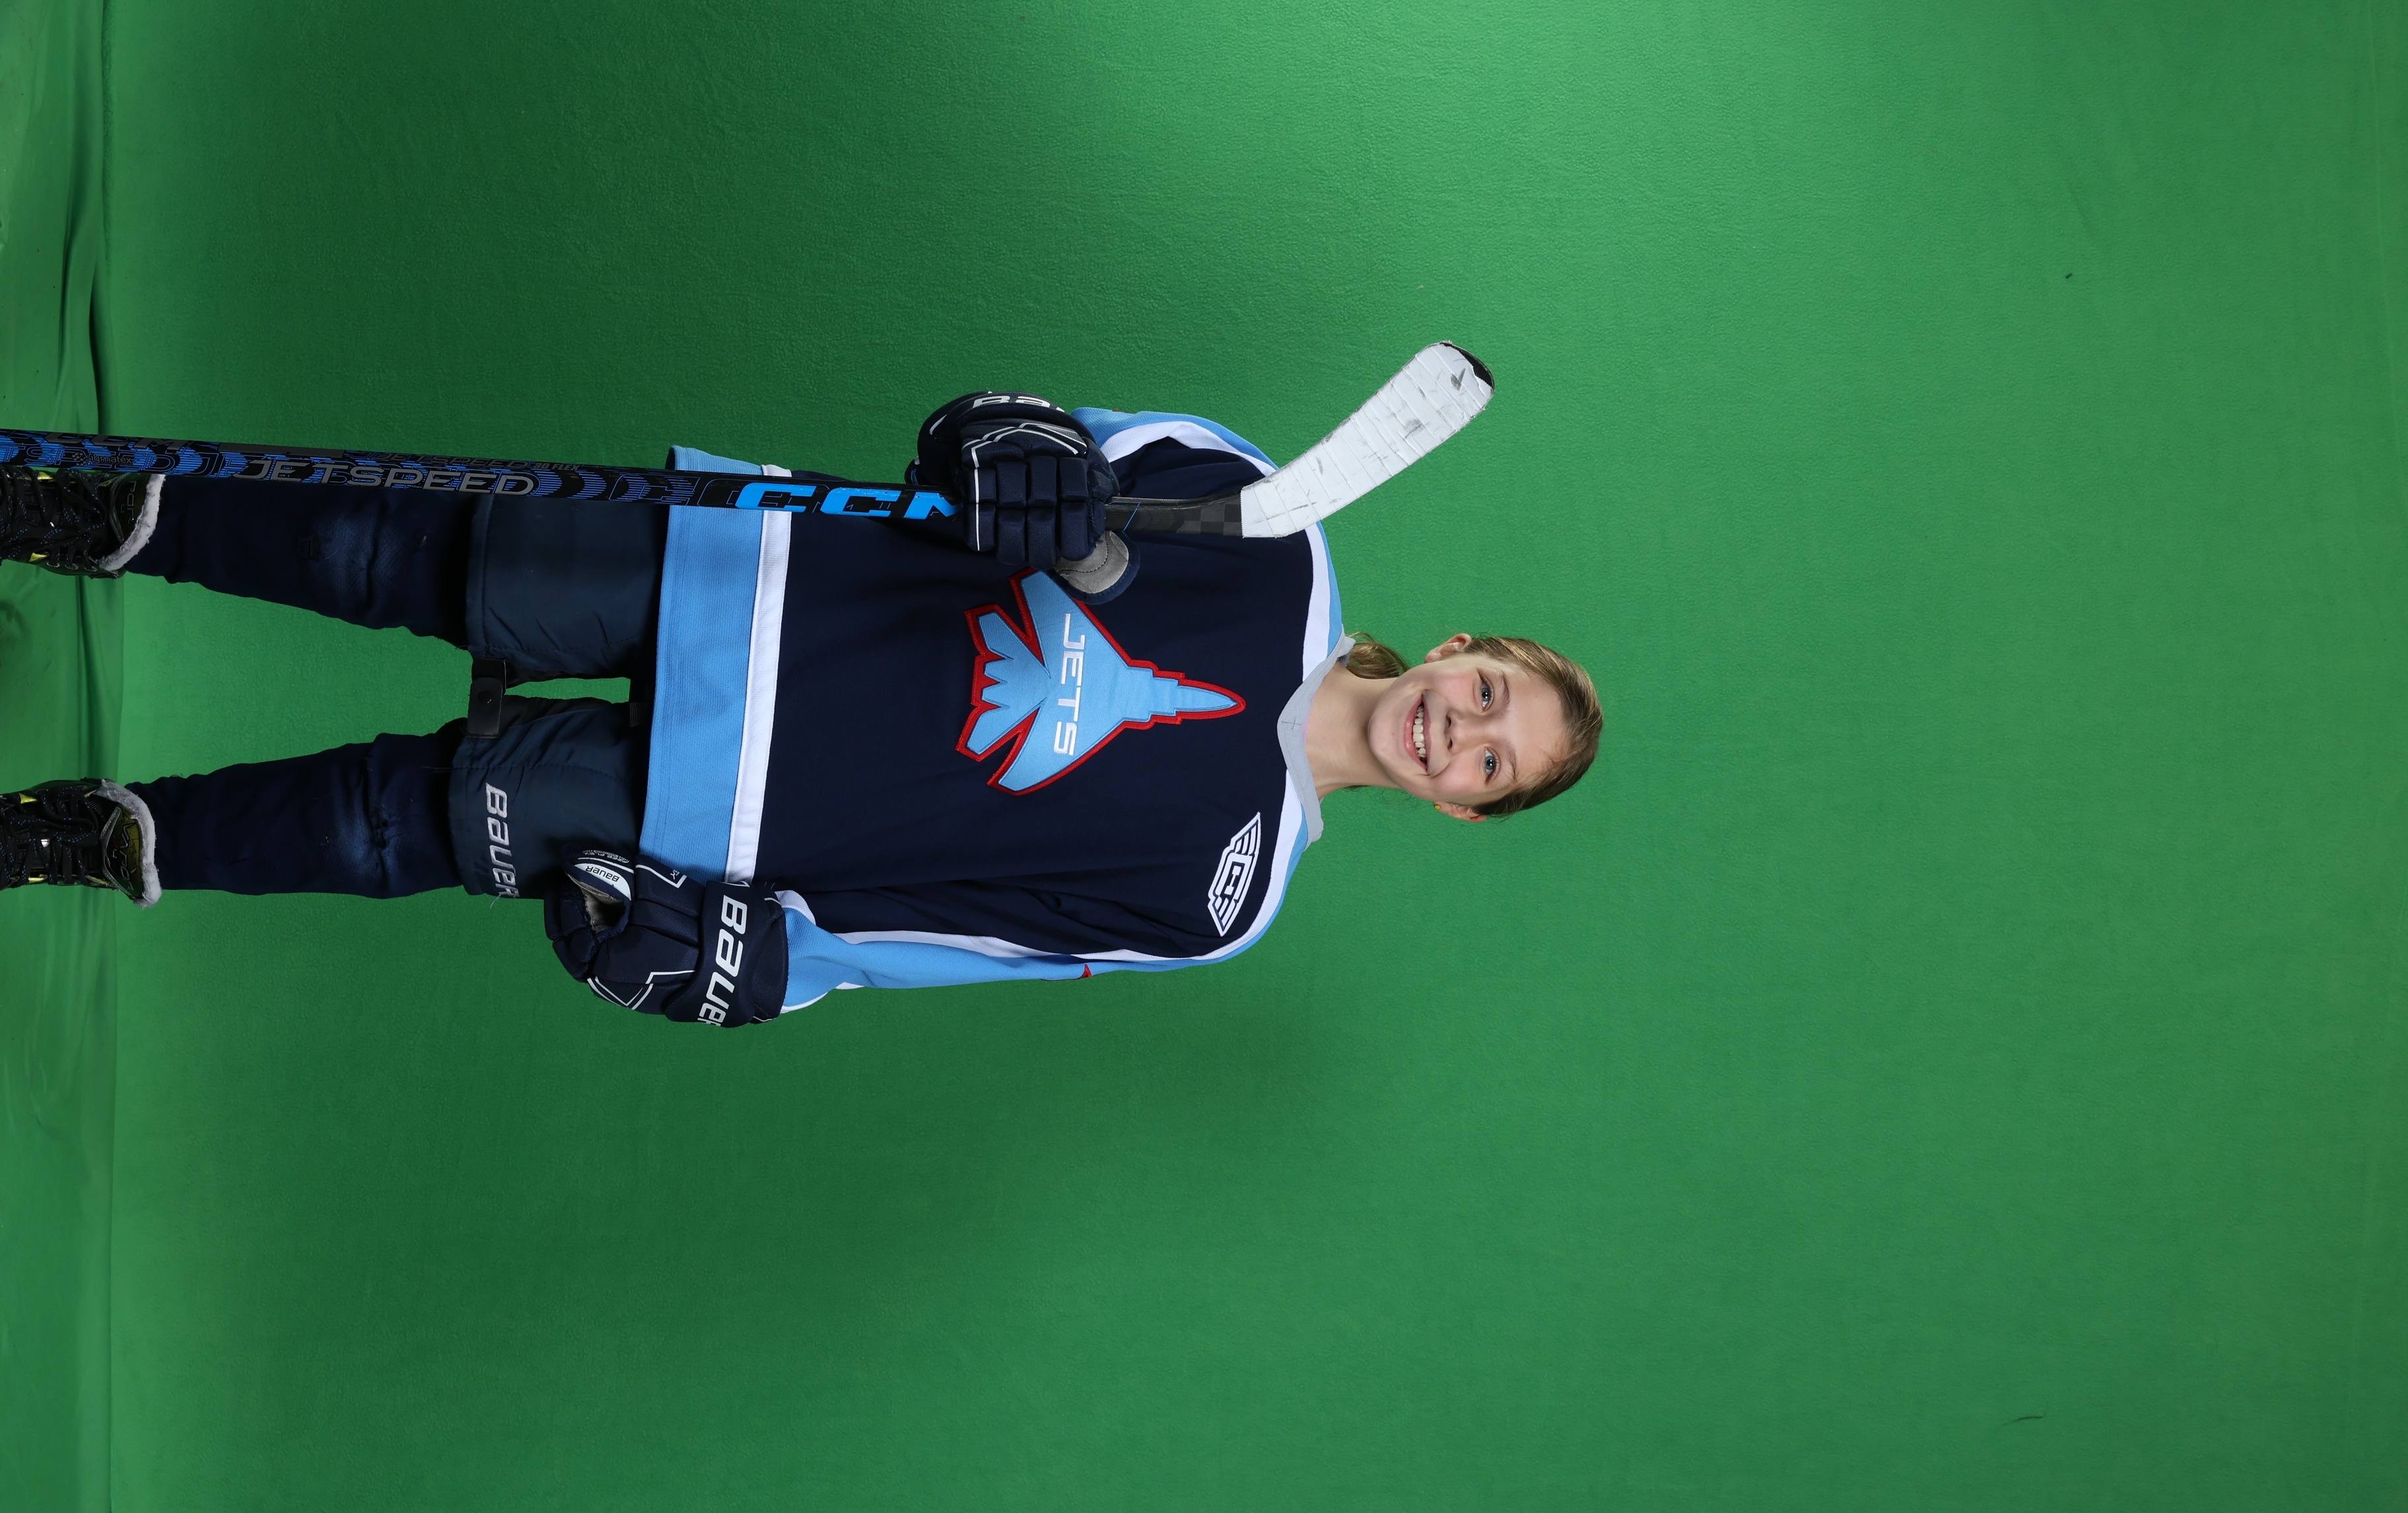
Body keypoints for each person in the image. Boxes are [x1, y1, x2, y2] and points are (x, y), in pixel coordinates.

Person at [0, 386, 1603, 1025]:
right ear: (1463, 646)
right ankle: (93, 515)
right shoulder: (1268, 523)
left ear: (1465, 805)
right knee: (389, 549)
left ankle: (83, 836)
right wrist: (1011, 442)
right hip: (753, 579)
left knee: (387, 827)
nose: (1460, 730)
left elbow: (973, 937)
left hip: (734, 814)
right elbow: (1039, 429)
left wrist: (774, 964)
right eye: (1488, 694)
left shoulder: (1223, 903)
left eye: (1490, 761)